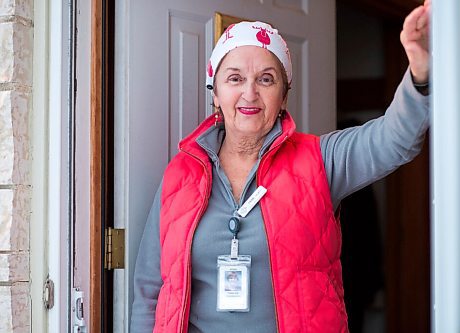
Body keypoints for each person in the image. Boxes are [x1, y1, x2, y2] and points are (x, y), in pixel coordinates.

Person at [130, 1, 431, 332]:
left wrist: (420, 73)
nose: (249, 92)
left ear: (283, 96)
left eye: (266, 79)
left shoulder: (320, 160)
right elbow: (149, 293)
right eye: (234, 78)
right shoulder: (180, 174)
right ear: (215, 93)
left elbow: (393, 139)